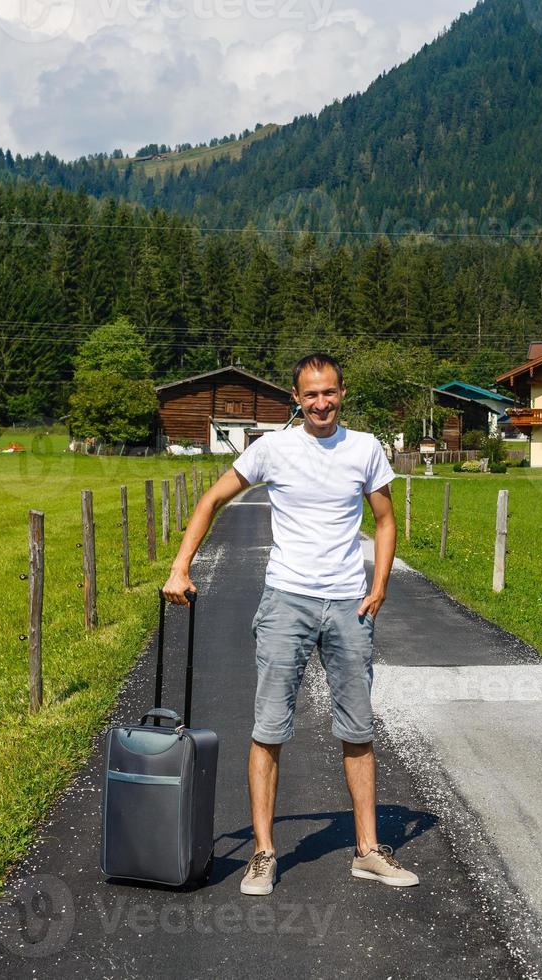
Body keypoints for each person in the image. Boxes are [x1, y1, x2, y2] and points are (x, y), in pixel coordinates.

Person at [162, 352, 419, 897]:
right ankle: (263, 853)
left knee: (358, 729)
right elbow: (211, 499)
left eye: (329, 393)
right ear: (296, 398)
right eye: (310, 395)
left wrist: (380, 586)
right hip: (286, 602)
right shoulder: (273, 449)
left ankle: (368, 851)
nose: (320, 403)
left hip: (349, 603)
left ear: (342, 392)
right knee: (270, 728)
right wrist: (180, 566)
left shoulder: (365, 448)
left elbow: (385, 518)